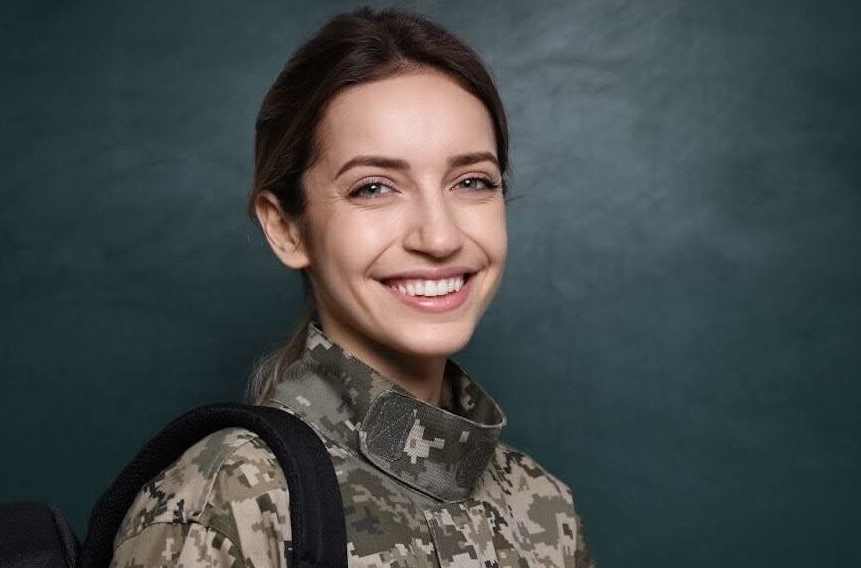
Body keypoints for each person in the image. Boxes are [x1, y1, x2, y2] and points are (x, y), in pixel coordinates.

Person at [109, 6, 594, 568]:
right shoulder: (233, 501)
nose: (439, 237)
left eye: (472, 181)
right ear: (287, 228)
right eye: (374, 188)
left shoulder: (546, 511)